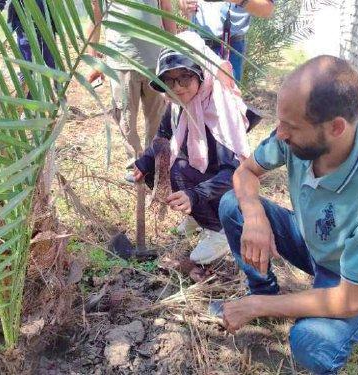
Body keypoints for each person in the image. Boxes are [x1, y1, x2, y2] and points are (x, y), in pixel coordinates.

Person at [218, 55, 358, 373]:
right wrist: (254, 217)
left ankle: (262, 304)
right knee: (233, 205)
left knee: (311, 342)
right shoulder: (295, 137)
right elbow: (245, 173)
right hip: (312, 240)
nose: (279, 133)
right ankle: (263, 291)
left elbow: (350, 301)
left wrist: (255, 308)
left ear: (336, 128)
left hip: (351, 279)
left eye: (291, 127)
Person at [134, 31, 261, 265]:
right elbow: (163, 137)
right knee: (158, 166)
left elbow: (234, 171)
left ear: (201, 74)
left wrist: (195, 194)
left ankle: (220, 230)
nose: (178, 88)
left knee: (178, 171)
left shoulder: (219, 108)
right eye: (169, 80)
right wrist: (143, 163)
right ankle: (197, 217)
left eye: (184, 77)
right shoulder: (176, 103)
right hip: (204, 173)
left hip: (227, 185)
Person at [86, 0, 176, 180]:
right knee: (125, 117)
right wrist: (93, 57)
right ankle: (134, 162)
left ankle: (154, 161)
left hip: (154, 61)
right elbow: (95, 13)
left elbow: (166, 9)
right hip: (121, 61)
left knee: (157, 116)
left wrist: (171, 50)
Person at [179, 0, 274, 81]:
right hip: (195, 44)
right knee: (190, 98)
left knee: (226, 98)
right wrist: (184, 4)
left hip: (229, 48)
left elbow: (267, 9)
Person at [0, 0, 56, 72]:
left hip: (44, 22)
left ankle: (57, 79)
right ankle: (27, 76)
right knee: (26, 55)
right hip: (23, 24)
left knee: (49, 56)